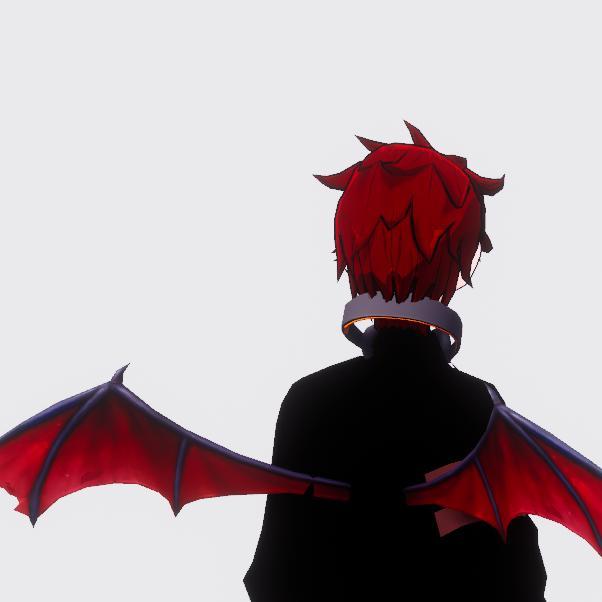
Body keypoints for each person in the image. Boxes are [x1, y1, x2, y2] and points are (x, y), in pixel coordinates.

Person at [243, 123, 547, 601]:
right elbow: (518, 578)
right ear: (459, 254)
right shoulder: (478, 407)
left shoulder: (310, 401)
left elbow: (274, 575)